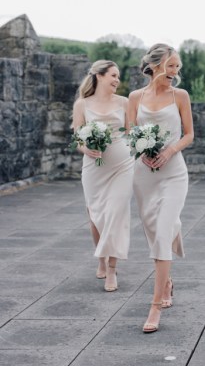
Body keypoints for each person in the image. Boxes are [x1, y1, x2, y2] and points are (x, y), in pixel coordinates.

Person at [127, 44, 194, 333]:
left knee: (164, 229)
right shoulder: (134, 97)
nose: (175, 72)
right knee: (153, 229)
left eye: (178, 67)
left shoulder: (180, 95)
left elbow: (190, 134)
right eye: (171, 66)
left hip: (173, 171)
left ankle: (154, 306)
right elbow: (130, 132)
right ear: (155, 66)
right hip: (144, 174)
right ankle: (166, 280)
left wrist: (170, 150)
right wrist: (140, 150)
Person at [71, 60, 133, 293]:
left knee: (116, 214)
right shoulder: (82, 104)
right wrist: (85, 148)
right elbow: (78, 136)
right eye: (113, 75)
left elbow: (130, 133)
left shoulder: (124, 102)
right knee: (96, 215)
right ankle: (101, 258)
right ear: (99, 75)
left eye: (118, 76)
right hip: (94, 167)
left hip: (122, 166)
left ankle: (112, 270)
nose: (117, 80)